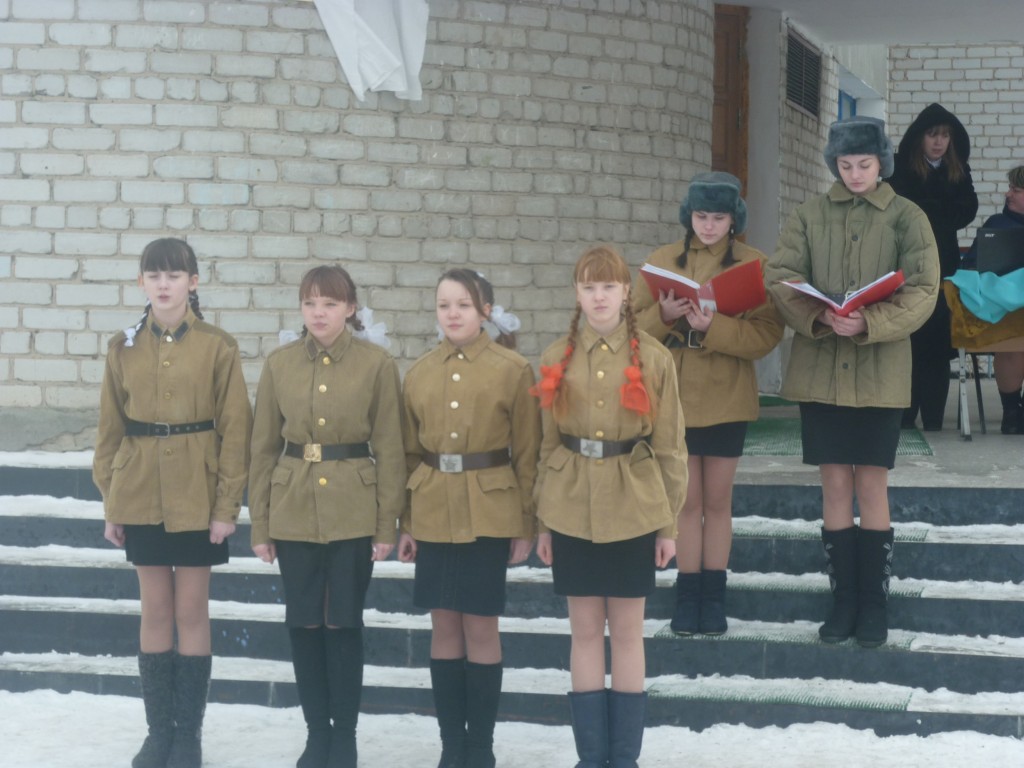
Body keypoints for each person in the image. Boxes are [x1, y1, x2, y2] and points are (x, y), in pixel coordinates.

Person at [765, 116, 940, 649]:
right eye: (845, 165)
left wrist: (871, 321)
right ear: (833, 164)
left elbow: (924, 288)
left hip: (880, 375)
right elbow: (781, 277)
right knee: (835, 485)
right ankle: (842, 602)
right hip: (821, 376)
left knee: (872, 485)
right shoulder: (809, 214)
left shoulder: (907, 216)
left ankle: (874, 606)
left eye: (865, 164)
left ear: (882, 162)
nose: (856, 173)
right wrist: (820, 316)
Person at [93, 237, 253, 768]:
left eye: (174, 275)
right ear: (141, 282)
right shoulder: (122, 347)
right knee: (156, 609)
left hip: (196, 492)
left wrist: (226, 507)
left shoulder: (218, 346)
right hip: (140, 491)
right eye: (154, 275)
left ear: (193, 281)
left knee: (191, 609)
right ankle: (158, 733)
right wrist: (112, 501)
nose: (164, 285)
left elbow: (236, 430)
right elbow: (109, 430)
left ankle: (188, 735)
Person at [533, 246, 687, 768]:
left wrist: (667, 526)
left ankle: (624, 758)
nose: (598, 297)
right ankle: (590, 757)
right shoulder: (555, 356)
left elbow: (670, 448)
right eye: (588, 287)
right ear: (576, 294)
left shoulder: (655, 358)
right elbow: (546, 445)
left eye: (608, 286)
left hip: (634, 506)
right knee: (583, 632)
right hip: (570, 506)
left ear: (626, 293)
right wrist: (543, 522)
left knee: (625, 633)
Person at [248, 265, 406, 768]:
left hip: (353, 510)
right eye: (310, 303)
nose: (319, 313)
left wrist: (386, 524)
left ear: (350, 308)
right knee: (303, 624)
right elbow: (262, 447)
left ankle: (345, 737)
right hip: (292, 506)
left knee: (343, 623)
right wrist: (261, 524)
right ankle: (317, 734)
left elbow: (391, 449)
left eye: (331, 304)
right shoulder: (280, 364)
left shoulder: (376, 364)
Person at [398, 269, 540, 768]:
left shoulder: (513, 369)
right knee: (444, 627)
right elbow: (408, 453)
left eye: (463, 304)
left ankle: (479, 746)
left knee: (481, 627)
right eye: (444, 305)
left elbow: (528, 454)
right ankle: (451, 746)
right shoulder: (419, 372)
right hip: (433, 509)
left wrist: (525, 522)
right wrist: (407, 522)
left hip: (490, 512)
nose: (452, 314)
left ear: (486, 311)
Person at [634, 172, 784, 637]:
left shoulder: (753, 264)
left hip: (726, 394)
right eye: (701, 216)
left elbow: (766, 335)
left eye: (719, 218)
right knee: (685, 501)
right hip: (673, 397)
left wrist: (711, 326)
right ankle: (687, 596)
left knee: (717, 502)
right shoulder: (662, 261)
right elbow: (629, 333)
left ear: (734, 219)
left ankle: (713, 598)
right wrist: (663, 316)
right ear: (689, 216)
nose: (709, 226)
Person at [889, 103, 979, 431]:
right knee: (909, 341)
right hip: (907, 263)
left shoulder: (958, 170)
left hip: (944, 264)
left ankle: (934, 419)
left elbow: (968, 207)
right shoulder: (901, 168)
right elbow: (898, 207)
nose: (939, 142)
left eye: (944, 136)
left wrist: (932, 213)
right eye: (932, 135)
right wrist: (937, 213)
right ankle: (904, 416)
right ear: (920, 137)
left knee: (938, 343)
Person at [960, 166, 1024, 433]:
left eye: (1015, 190)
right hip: (1003, 313)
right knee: (1012, 342)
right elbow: (971, 267)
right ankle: (1012, 411)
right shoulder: (996, 225)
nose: (1008, 194)